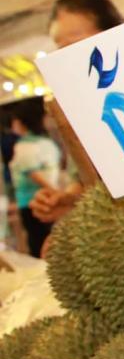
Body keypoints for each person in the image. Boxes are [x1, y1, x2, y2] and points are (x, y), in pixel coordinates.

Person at [30, 0, 124, 224]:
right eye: (59, 50)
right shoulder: (76, 109)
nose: (67, 59)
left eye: (75, 46)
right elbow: (83, 181)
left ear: (115, 33)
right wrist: (67, 201)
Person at [8, 99, 60, 257]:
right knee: (50, 239)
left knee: (38, 243)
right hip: (51, 199)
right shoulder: (47, 142)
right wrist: (57, 193)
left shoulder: (24, 146)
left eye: (14, 121)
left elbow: (34, 174)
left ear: (21, 122)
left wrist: (57, 193)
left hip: (32, 202)